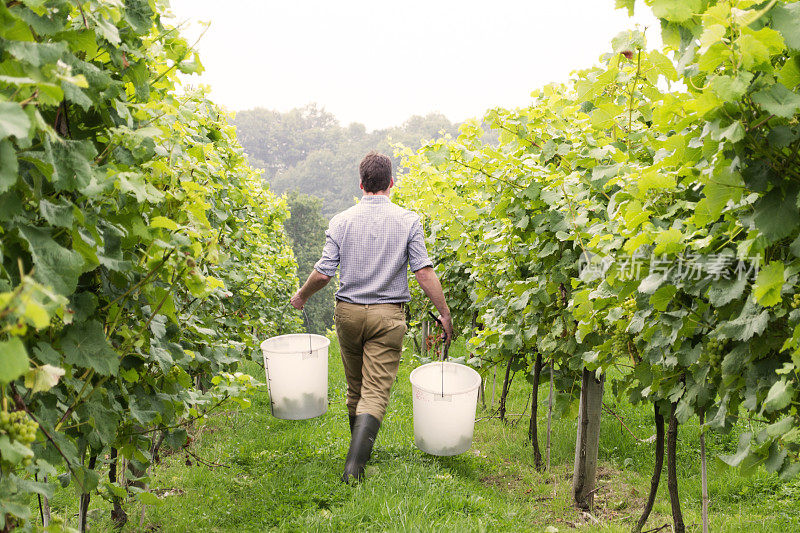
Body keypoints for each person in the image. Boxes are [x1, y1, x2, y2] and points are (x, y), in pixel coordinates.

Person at [289, 151, 453, 483]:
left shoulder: (340, 220)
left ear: (361, 183)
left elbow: (323, 274)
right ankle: (355, 468)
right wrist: (445, 313)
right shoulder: (408, 220)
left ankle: (358, 456)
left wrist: (301, 296)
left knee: (356, 387)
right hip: (388, 317)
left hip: (347, 315)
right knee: (375, 390)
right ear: (391, 183)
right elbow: (423, 272)